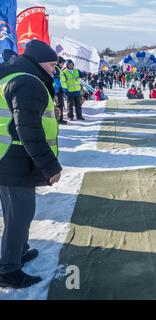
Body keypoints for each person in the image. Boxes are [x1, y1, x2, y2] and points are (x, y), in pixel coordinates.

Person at [0, 40, 62, 288]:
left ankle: (18, 250)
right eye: (51, 65)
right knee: (20, 215)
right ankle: (8, 268)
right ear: (39, 62)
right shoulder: (27, 82)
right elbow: (28, 130)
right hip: (13, 161)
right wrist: (50, 166)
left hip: (8, 158)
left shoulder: (16, 74)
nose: (54, 71)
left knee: (15, 212)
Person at [53, 56, 67, 124]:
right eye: (63, 63)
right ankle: (59, 120)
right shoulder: (56, 69)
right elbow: (55, 79)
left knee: (60, 105)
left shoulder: (58, 68)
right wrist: (60, 87)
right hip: (57, 90)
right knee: (59, 105)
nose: (63, 64)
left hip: (59, 90)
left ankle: (59, 119)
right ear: (59, 62)